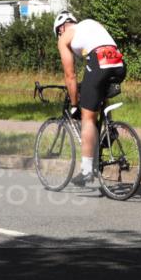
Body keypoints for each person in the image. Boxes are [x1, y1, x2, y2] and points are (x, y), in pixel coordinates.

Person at [54, 11, 125, 187]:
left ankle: (86, 171)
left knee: (87, 117)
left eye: (58, 33)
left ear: (61, 28)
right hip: (119, 63)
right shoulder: (90, 24)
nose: (60, 36)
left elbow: (70, 75)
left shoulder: (64, 38)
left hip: (99, 60)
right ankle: (109, 129)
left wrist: (74, 104)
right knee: (98, 94)